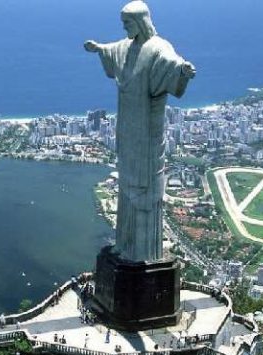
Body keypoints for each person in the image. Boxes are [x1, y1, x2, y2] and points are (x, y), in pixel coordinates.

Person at [84, 1, 195, 261]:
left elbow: (172, 64)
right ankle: (125, 245)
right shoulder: (127, 46)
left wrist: (183, 71)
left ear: (141, 22)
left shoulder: (158, 47)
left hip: (147, 132)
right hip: (128, 128)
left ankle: (144, 252)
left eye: (128, 23)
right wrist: (98, 48)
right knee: (126, 187)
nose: (125, 28)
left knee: (146, 189)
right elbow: (113, 51)